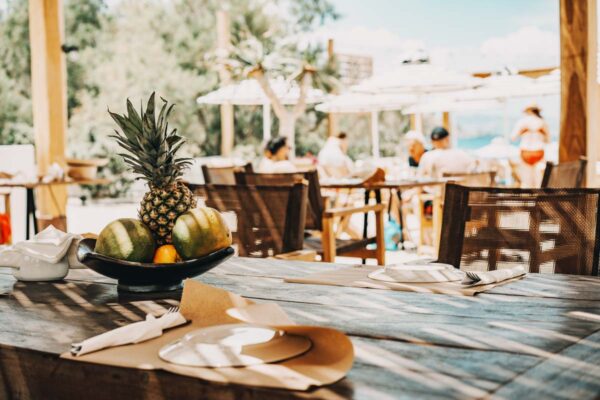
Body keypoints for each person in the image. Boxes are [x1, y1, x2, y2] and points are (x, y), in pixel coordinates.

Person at [511, 103, 550, 187]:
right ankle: (538, 199)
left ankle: (528, 199)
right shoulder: (542, 122)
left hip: (525, 151)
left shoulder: (522, 122)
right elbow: (548, 141)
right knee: (538, 180)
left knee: (526, 181)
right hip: (538, 151)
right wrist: (541, 133)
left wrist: (522, 132)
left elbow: (513, 138)